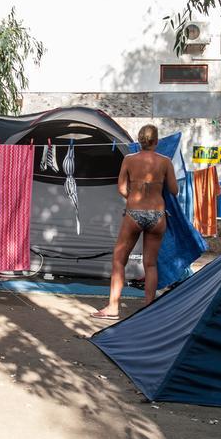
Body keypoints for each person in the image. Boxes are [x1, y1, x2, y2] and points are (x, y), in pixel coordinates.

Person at [92, 124, 177, 319]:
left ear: (139, 141)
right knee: (150, 264)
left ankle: (113, 308)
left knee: (119, 260)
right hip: (157, 215)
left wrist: (133, 196)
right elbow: (174, 190)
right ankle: (148, 308)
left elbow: (121, 188)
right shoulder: (165, 162)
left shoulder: (129, 160)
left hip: (134, 213)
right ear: (156, 142)